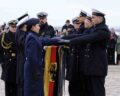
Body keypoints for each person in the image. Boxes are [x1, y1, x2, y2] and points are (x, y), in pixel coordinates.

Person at [60, 9, 110, 96]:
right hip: (90, 68)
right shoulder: (95, 29)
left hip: (97, 68)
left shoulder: (103, 31)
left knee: (97, 92)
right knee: (89, 92)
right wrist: (63, 39)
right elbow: (81, 35)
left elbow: (87, 38)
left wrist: (69, 42)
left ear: (100, 18)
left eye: (93, 18)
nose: (92, 19)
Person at [24, 18, 59, 96]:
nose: (39, 27)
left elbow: (44, 40)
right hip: (33, 72)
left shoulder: (33, 36)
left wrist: (58, 39)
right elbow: (32, 58)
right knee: (34, 92)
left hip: (33, 71)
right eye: (37, 25)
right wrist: (37, 73)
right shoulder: (32, 38)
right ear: (32, 27)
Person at [0, 20, 18, 96]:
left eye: (15, 27)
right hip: (8, 63)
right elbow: (0, 51)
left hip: (17, 62)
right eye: (12, 27)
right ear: (9, 27)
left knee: (17, 86)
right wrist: (2, 62)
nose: (14, 28)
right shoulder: (4, 36)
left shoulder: (19, 35)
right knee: (8, 86)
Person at [15, 18, 29, 96]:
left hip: (20, 60)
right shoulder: (22, 35)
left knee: (21, 84)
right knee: (22, 83)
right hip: (23, 61)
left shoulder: (18, 33)